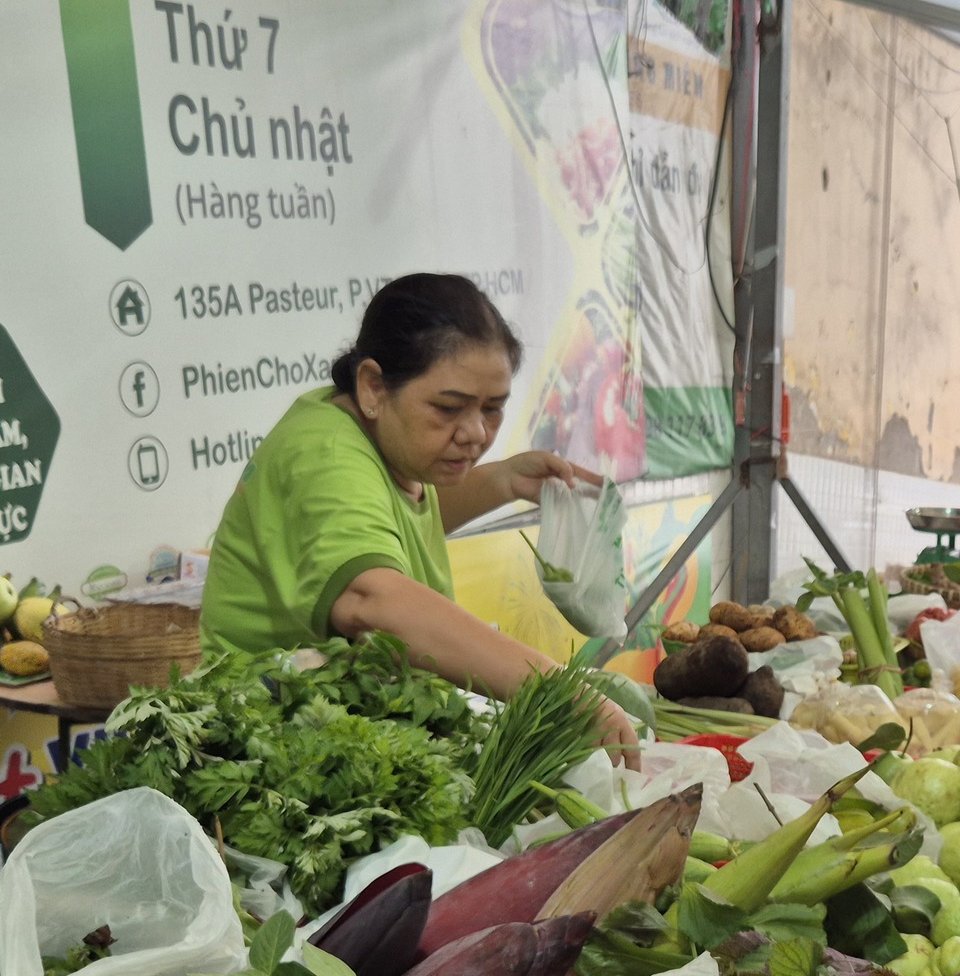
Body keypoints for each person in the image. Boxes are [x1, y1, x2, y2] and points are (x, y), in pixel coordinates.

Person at [200, 273, 639, 754]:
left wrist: (499, 481)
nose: (475, 432)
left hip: (342, 728)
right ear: (372, 386)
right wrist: (560, 692)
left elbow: (388, 526)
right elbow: (371, 602)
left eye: (492, 409)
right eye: (449, 408)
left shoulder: (380, 444)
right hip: (267, 743)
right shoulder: (325, 455)